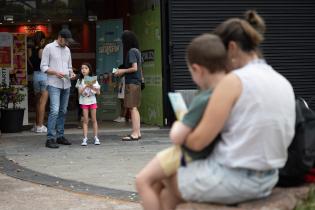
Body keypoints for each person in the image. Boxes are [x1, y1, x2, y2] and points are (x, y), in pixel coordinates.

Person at [154, 10, 296, 209]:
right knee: (169, 188)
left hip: (235, 179)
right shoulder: (282, 81)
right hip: (270, 177)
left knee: (160, 176)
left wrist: (182, 126)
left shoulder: (234, 82)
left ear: (231, 48)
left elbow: (197, 142)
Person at [136, 33, 228, 210]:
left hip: (188, 155)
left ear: (198, 69)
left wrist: (179, 122)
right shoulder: (228, 91)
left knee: (143, 181)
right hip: (209, 157)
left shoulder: (204, 97)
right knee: (162, 191)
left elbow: (177, 137)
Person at [40, 28, 76, 149]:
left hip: (66, 83)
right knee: (54, 110)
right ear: (60, 37)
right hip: (53, 83)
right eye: (66, 40)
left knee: (63, 111)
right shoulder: (48, 47)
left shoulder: (67, 50)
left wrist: (72, 74)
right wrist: (55, 72)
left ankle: (60, 136)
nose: (67, 43)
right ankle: (50, 138)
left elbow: (69, 67)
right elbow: (43, 67)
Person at [114, 30, 142, 141]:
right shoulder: (137, 51)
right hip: (137, 82)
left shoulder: (131, 52)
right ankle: (137, 132)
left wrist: (122, 71)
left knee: (132, 108)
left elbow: (134, 68)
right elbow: (140, 69)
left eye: (123, 40)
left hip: (132, 83)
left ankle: (135, 133)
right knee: (135, 108)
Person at [75, 63, 101, 146]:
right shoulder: (79, 80)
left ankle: (96, 137)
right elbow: (79, 92)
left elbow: (98, 92)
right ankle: (85, 138)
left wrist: (92, 86)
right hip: (84, 101)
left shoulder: (93, 79)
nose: (83, 70)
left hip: (92, 101)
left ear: (89, 70)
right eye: (82, 68)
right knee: (85, 120)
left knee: (94, 119)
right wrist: (86, 85)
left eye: (86, 68)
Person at [29, 31, 48, 133]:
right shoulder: (42, 50)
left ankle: (36, 125)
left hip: (35, 76)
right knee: (43, 102)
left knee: (37, 102)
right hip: (44, 76)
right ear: (42, 40)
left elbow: (31, 63)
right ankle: (40, 126)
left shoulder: (31, 50)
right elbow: (46, 65)